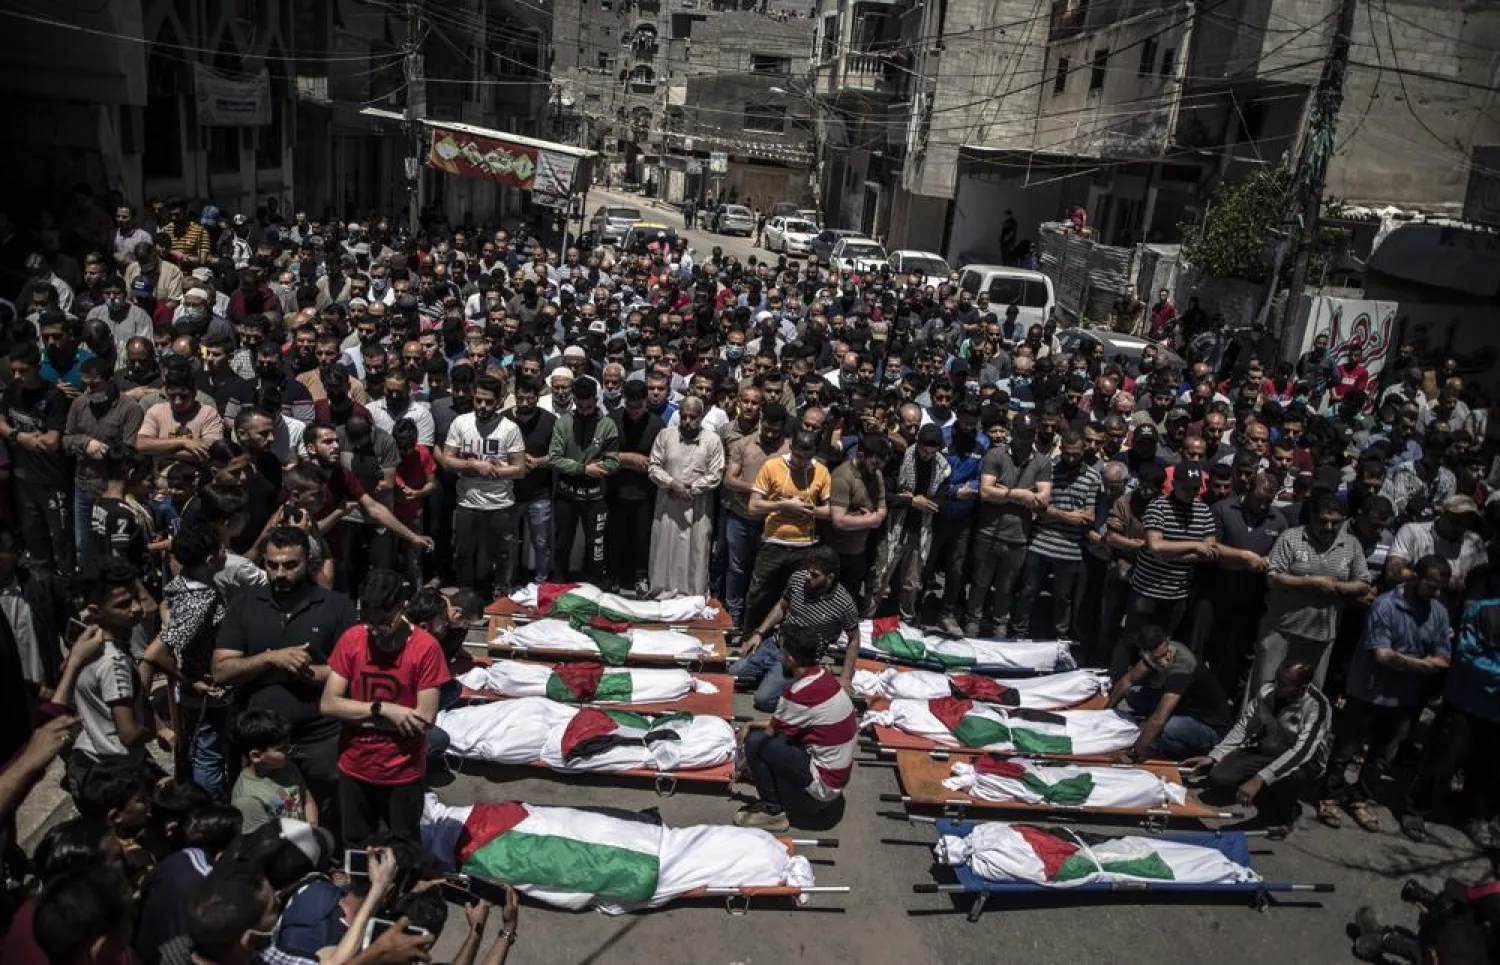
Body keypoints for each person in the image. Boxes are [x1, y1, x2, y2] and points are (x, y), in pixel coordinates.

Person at [213, 526, 357, 840]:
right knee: (259, 823)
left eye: (290, 565)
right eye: (272, 564)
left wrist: (306, 671)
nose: (280, 573)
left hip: (318, 739)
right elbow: (221, 671)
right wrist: (270, 659)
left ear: (309, 563)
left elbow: (352, 672)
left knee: (323, 812)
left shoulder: (337, 608)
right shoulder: (244, 605)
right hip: (258, 745)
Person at [1317, 554, 1451, 840]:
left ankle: (1360, 798)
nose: (1437, 593)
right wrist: (1421, 662)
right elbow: (1382, 655)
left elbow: (1442, 660)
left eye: (1441, 587)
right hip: (1367, 690)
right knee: (1345, 750)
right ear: (1414, 576)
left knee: (1382, 756)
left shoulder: (1438, 612)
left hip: (1404, 698)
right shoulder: (1385, 605)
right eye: (1432, 585)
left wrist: (1406, 660)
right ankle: (1330, 795)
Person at [320, 569, 450, 847]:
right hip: (354, 766)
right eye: (370, 621)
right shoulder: (353, 639)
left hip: (403, 771)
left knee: (403, 846)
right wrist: (385, 710)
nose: (375, 630)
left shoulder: (426, 649)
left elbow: (423, 719)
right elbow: (329, 704)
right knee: (356, 845)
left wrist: (355, 714)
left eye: (384, 622)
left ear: (403, 609)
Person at [1183, 659, 1331, 833]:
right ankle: (1263, 791)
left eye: (1284, 684)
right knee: (1219, 775)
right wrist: (1215, 755)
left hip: (1304, 760)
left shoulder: (1316, 706)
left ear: (1302, 686)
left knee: (1289, 779)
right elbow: (1245, 727)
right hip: (1271, 749)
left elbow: (1301, 752)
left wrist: (1259, 778)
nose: (1277, 686)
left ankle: (1282, 815)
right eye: (1277, 679)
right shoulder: (1268, 691)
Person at [735, 627, 856, 832]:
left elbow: (770, 734)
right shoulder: (825, 679)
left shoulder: (798, 693)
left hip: (819, 792)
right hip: (835, 784)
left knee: (755, 742)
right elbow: (783, 724)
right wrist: (752, 723)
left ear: (790, 658)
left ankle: (773, 812)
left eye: (781, 652)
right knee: (771, 739)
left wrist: (744, 761)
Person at [1251, 493, 1372, 694]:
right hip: (1282, 629)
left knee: (1308, 693)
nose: (1329, 528)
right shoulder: (1291, 537)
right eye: (1323, 521)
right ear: (1312, 518)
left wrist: (1338, 587)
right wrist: (1311, 582)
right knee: (1266, 687)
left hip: (1322, 635)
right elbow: (1273, 578)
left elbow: (1364, 583)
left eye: (1335, 523)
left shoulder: (1351, 544)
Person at [732, 546, 861, 710]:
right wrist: (759, 633)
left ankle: (806, 688)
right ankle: (775, 679)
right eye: (808, 571)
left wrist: (845, 677)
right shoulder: (797, 579)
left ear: (830, 577)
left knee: (764, 700)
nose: (808, 577)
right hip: (776, 644)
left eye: (814, 575)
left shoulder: (843, 603)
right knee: (733, 675)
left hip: (799, 660)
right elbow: (781, 606)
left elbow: (854, 639)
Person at [439, 375, 525, 597]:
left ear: (499, 401)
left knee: (503, 554)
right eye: (478, 401)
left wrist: (495, 469)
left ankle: (500, 593)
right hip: (468, 502)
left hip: (500, 504)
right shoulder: (461, 423)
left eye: (488, 402)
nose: (482, 406)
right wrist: (474, 465)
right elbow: (447, 460)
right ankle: (466, 594)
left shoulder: (509, 428)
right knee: (463, 552)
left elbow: (520, 469)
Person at [968, 412, 1051, 637]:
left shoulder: (1042, 461)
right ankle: (973, 620)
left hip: (1019, 535)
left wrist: (1004, 492)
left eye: (1030, 434)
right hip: (989, 530)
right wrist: (1022, 495)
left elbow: (1042, 500)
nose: (1025, 439)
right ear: (1012, 432)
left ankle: (999, 622)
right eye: (1022, 434)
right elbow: (985, 492)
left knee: (1006, 586)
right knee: (980, 582)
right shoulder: (995, 455)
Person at [743, 429, 832, 634]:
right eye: (798, 456)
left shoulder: (821, 471)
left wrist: (810, 510)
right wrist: (783, 505)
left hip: (804, 545)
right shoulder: (772, 466)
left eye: (807, 458)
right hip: (774, 541)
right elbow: (753, 506)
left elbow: (828, 511)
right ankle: (750, 635)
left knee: (796, 597)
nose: (801, 462)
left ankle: (785, 642)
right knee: (759, 593)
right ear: (791, 448)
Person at [1105, 623, 1233, 761]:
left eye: (1166, 653)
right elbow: (1128, 680)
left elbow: (1158, 719)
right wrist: (1104, 712)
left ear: (1167, 641)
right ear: (1144, 654)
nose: (1165, 661)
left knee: (1164, 729)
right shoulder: (1152, 655)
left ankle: (1186, 753)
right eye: (1157, 658)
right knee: (1133, 694)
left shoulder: (1183, 665)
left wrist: (1134, 752)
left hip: (1211, 728)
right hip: (1184, 708)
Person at [1123, 461, 1216, 640]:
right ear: (1174, 485)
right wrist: (1194, 545)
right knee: (1133, 639)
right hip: (1147, 589)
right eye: (1187, 488)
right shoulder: (1158, 507)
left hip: (1177, 593)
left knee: (1163, 644)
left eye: (1196, 489)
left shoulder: (1203, 511)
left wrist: (1168, 555)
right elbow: (1156, 545)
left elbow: (1209, 551)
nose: (1192, 493)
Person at [646, 395, 724, 597]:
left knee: (696, 550)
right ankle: (661, 592)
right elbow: (653, 467)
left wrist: (692, 488)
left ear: (702, 417)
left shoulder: (713, 440)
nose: (688, 421)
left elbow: (716, 474)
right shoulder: (665, 435)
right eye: (684, 416)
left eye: (693, 417)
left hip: (698, 505)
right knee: (665, 548)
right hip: (668, 503)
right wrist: (672, 483)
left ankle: (693, 595)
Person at [548, 377, 618, 584]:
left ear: (596, 400)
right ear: (574, 401)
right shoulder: (563, 423)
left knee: (596, 543)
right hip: (566, 493)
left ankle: (596, 583)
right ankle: (559, 581)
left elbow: (614, 462)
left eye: (589, 406)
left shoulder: (607, 425)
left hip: (595, 496)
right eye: (580, 406)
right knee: (562, 543)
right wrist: (583, 468)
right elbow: (554, 459)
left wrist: (600, 468)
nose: (585, 410)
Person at [230, 708, 316, 834]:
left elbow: (307, 799)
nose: (290, 751)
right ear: (256, 756)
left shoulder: (286, 766)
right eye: (282, 748)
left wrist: (313, 831)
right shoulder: (248, 799)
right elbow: (263, 845)